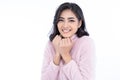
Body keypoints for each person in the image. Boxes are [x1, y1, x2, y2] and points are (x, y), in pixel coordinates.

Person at [41, 2, 95, 80]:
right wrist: (57, 54)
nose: (65, 25)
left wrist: (65, 54)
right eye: (61, 20)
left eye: (71, 20)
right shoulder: (51, 44)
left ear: (79, 23)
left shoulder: (86, 43)